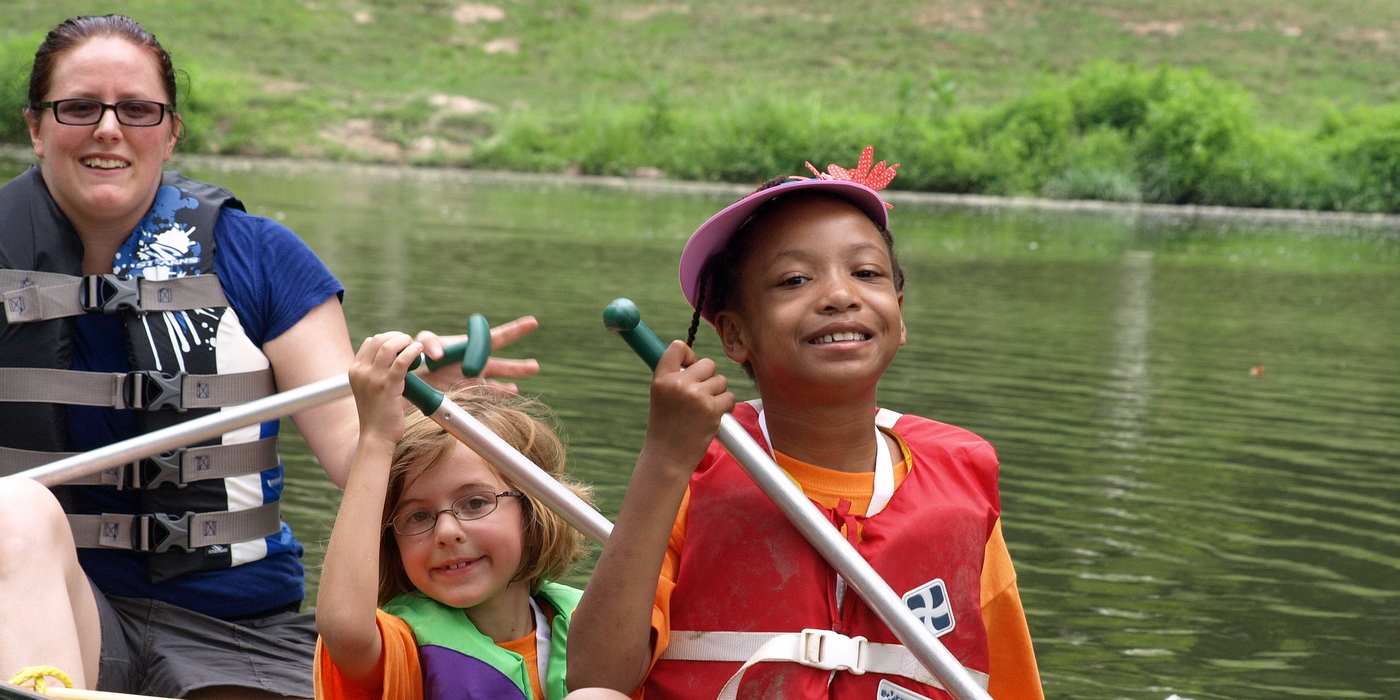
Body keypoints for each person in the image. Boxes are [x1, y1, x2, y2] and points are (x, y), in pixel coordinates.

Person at [0, 15, 537, 700]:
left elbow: (353, 449)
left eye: (137, 110)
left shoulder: (263, 256)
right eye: (79, 108)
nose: (109, 129)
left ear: (170, 131)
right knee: (12, 509)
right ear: (37, 127)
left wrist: (413, 405)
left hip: (240, 629)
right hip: (57, 613)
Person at [567, 148, 1045, 699]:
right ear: (734, 335)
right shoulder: (691, 468)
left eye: (866, 273)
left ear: (900, 312)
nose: (840, 296)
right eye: (794, 280)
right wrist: (665, 456)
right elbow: (594, 679)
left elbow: (1011, 685)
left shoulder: (962, 482)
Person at [315, 332, 591, 700]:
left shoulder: (590, 623)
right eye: (417, 517)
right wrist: (376, 438)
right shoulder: (400, 644)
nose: (446, 532)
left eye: (476, 503)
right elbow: (344, 629)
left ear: (533, 510)